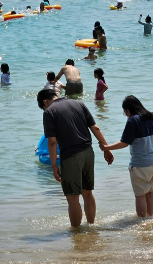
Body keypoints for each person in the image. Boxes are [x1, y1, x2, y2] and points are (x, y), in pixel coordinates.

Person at [37, 88, 114, 226]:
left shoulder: (49, 112)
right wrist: (106, 148)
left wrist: (54, 165)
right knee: (88, 194)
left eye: (43, 107)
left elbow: (52, 141)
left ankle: (77, 236)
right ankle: (91, 226)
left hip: (71, 156)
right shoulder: (79, 104)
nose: (45, 109)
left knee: (72, 198)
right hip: (88, 152)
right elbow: (95, 128)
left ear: (45, 101)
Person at [100, 96, 153, 218]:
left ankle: (141, 222)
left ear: (128, 109)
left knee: (140, 194)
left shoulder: (133, 120)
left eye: (125, 112)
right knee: (150, 192)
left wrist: (106, 148)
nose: (125, 115)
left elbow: (124, 142)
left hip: (141, 164)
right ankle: (150, 218)